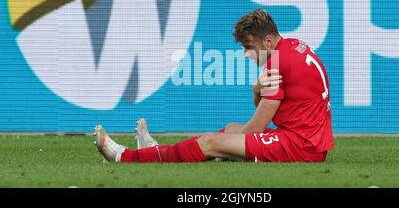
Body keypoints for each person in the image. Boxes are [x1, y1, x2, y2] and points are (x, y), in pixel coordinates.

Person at [94, 9, 334, 163]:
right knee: (230, 129)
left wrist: (224, 145)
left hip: (300, 148)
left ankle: (124, 157)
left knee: (210, 142)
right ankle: (157, 151)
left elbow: (256, 129)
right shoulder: (291, 45)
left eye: (249, 47)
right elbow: (264, 114)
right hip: (307, 142)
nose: (246, 54)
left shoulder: (276, 64)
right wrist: (256, 90)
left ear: (268, 41)